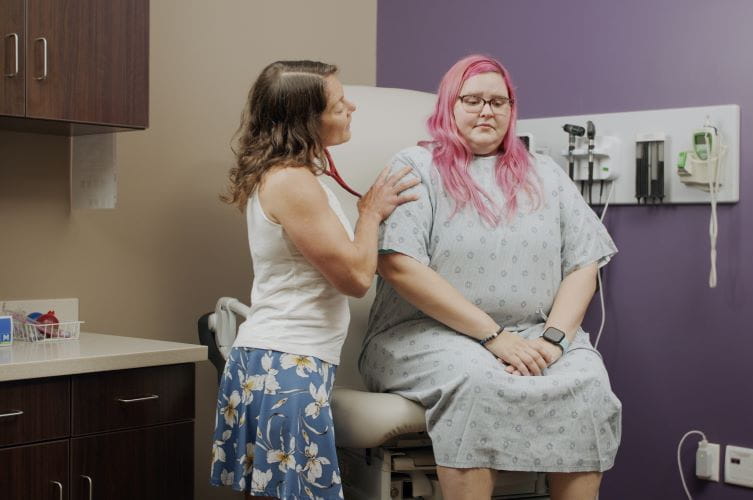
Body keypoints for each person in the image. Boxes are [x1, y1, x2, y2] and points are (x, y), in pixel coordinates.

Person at [358, 54, 621, 499]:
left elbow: (584, 263)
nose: (487, 111)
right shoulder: (415, 167)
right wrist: (493, 336)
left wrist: (554, 339)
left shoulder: (545, 173)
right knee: (478, 381)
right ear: (449, 106)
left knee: (588, 384)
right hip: (422, 334)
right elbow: (398, 263)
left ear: (511, 109)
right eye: (473, 100)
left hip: (537, 335)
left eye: (498, 102)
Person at [209, 60, 419, 500]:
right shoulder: (293, 182)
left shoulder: (292, 175)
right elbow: (358, 278)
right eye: (340, 103)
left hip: (277, 362)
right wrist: (370, 213)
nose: (352, 107)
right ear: (308, 119)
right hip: (287, 366)